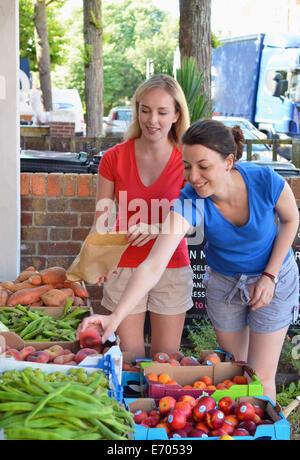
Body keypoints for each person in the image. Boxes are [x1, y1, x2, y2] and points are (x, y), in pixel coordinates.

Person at [78, 119, 299, 402]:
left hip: (274, 277)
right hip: (225, 283)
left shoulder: (264, 180)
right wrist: (114, 317)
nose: (193, 177)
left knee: (261, 375)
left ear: (229, 161)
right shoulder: (191, 200)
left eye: (203, 166)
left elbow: (291, 219)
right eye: (187, 166)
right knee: (238, 368)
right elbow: (154, 263)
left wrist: (270, 276)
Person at [84, 74, 193, 359]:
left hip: (171, 266)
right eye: (145, 110)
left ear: (177, 114)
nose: (152, 119)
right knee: (129, 360)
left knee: (165, 362)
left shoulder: (188, 159)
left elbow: (198, 222)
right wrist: (99, 257)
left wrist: (159, 228)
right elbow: (103, 221)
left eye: (161, 112)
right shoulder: (114, 158)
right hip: (124, 266)